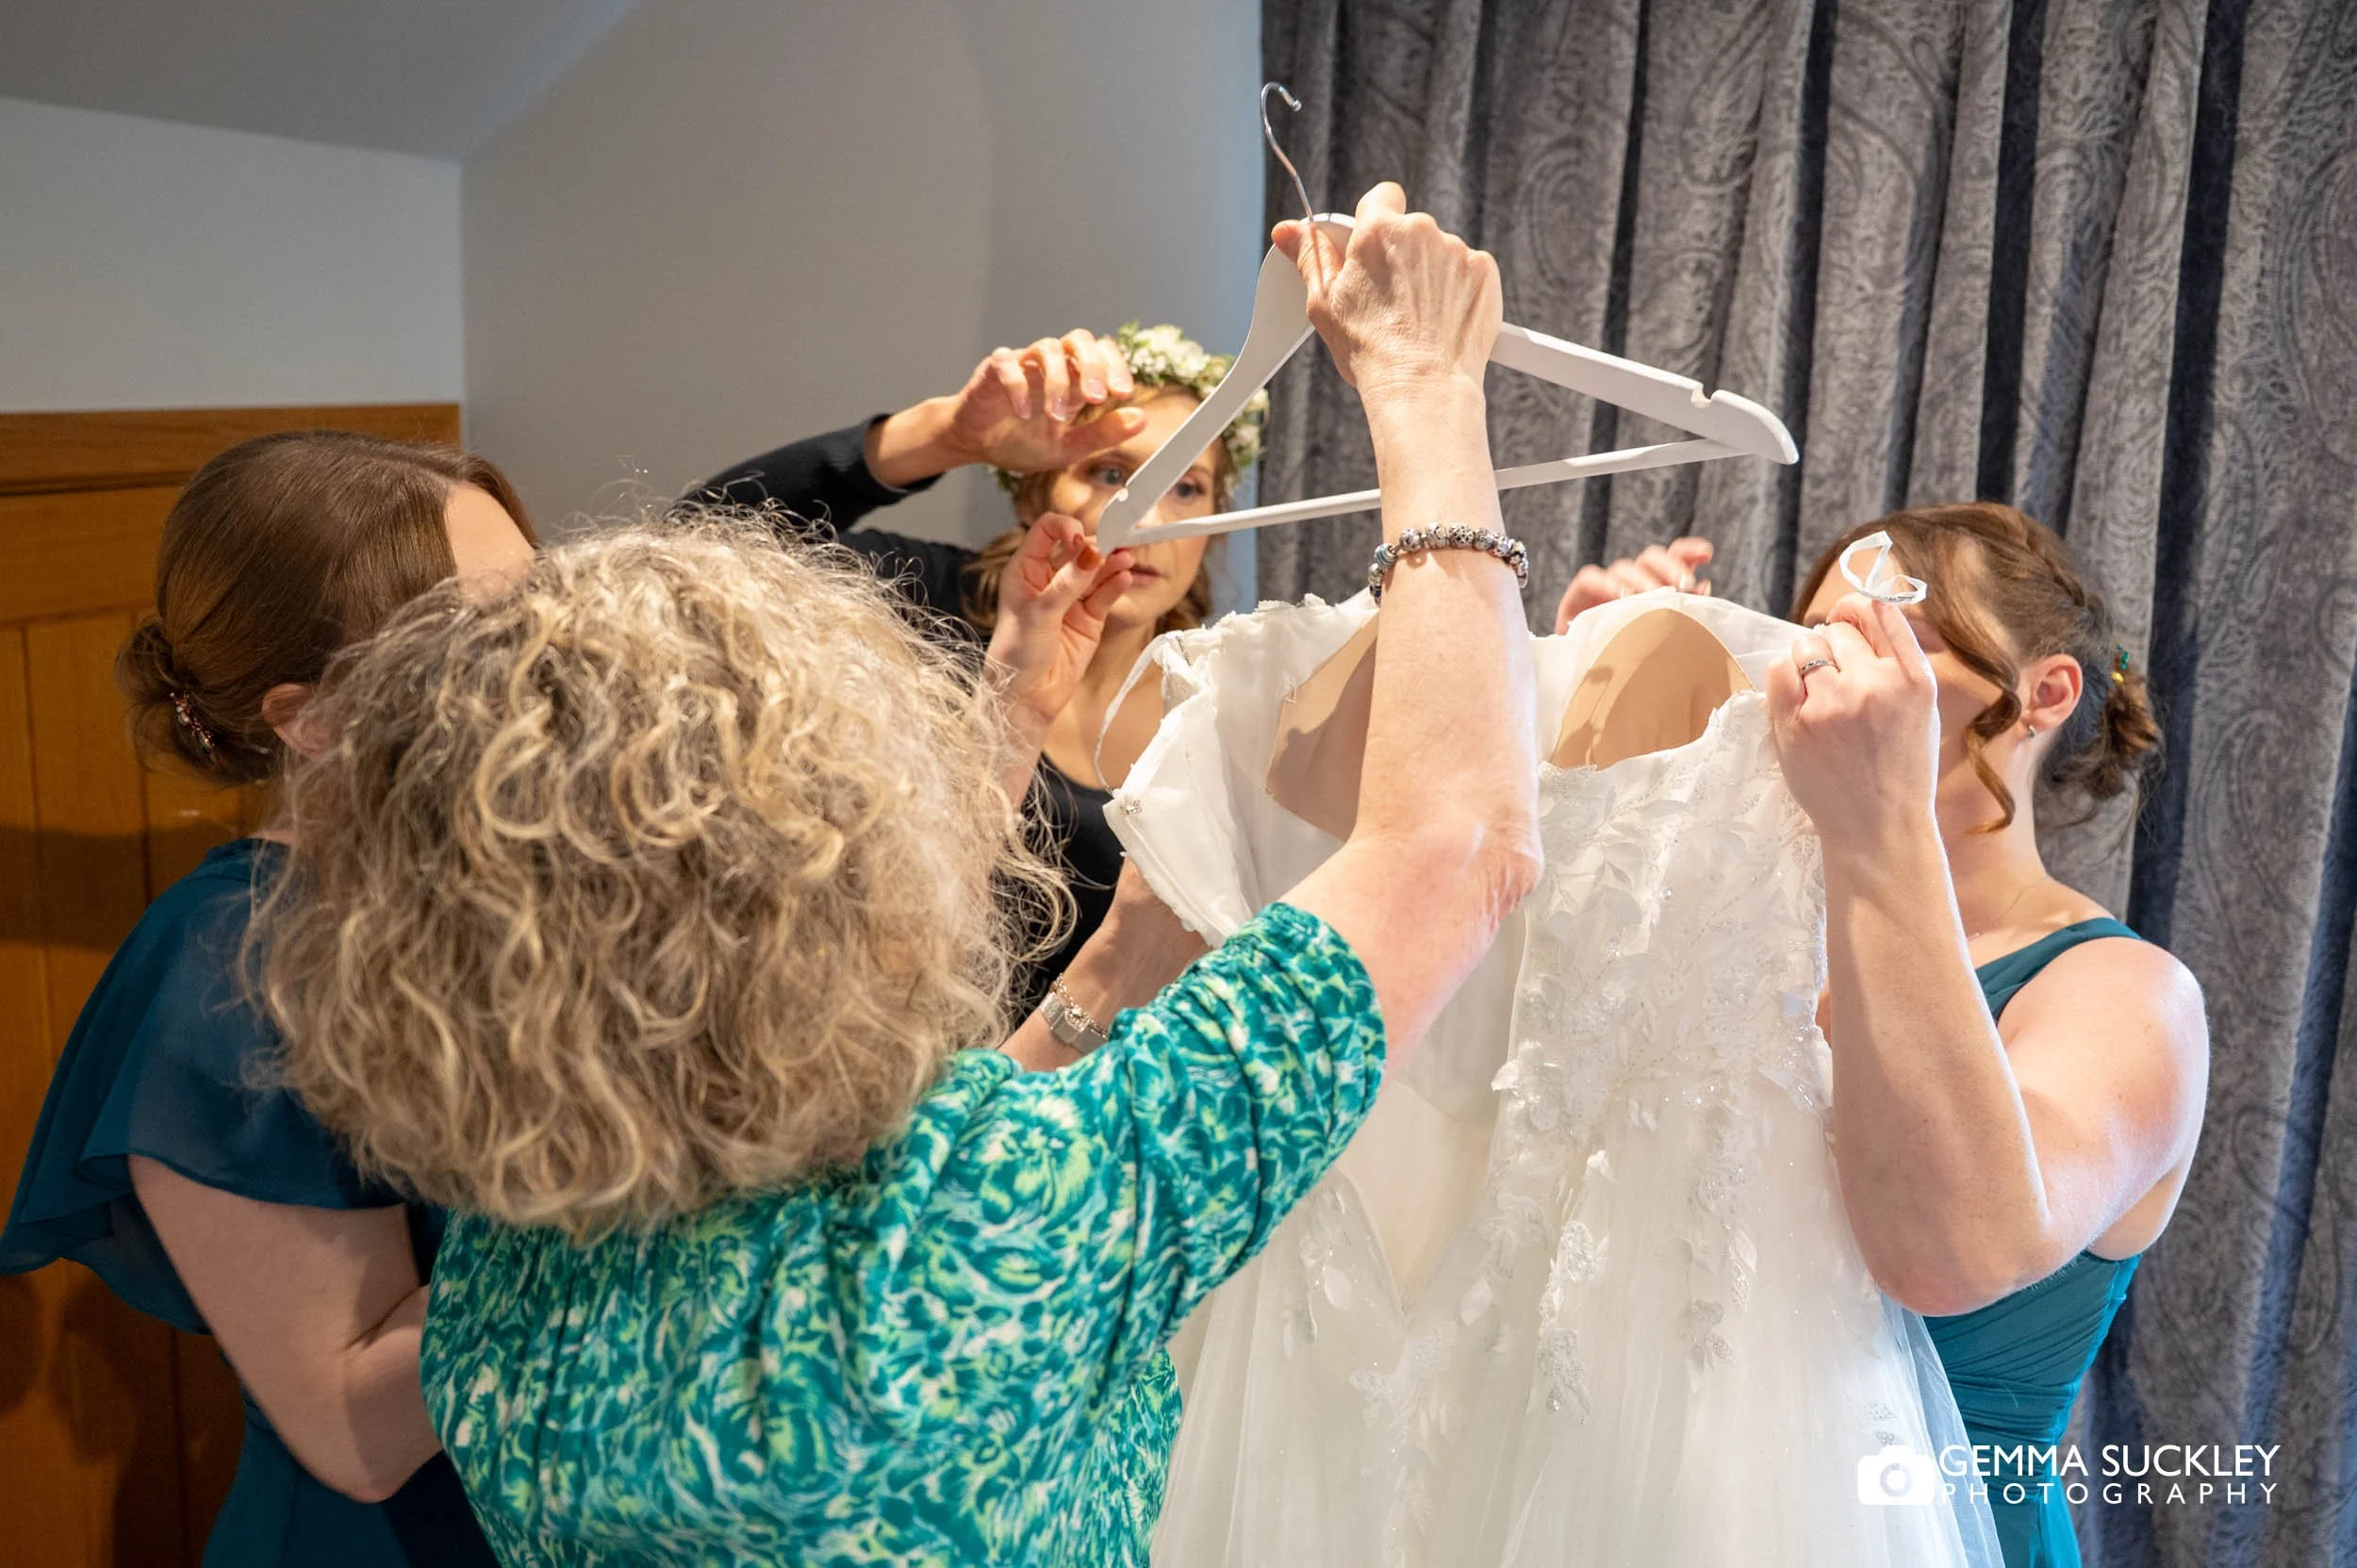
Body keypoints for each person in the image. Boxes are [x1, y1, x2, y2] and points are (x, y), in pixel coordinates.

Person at [245, 186, 1542, 1566]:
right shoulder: (1002, 1219)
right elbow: (1455, 844)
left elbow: (893, 1112)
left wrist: (1026, 754)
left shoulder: (505, 1262)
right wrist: (1425, 392)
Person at [0, 432, 540, 1566]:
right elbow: (359, 1432)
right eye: (485, 637)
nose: (550, 662)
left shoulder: (494, 886)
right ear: (313, 717)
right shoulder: (224, 969)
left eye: (543, 608)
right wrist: (650, 1186)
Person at [1765, 503, 2209, 1568]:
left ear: (2043, 694)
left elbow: (1957, 1251)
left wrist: (1877, 828)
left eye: (1892, 645)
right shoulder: (1756, 937)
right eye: (1817, 641)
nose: (1837, 677)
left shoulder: (2129, 995)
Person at [693, 322, 1265, 1008]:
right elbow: (695, 550)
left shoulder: (1226, 707)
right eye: (1111, 474)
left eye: (1186, 487)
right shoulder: (922, 608)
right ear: (1031, 494)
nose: (1146, 519)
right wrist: (946, 436)